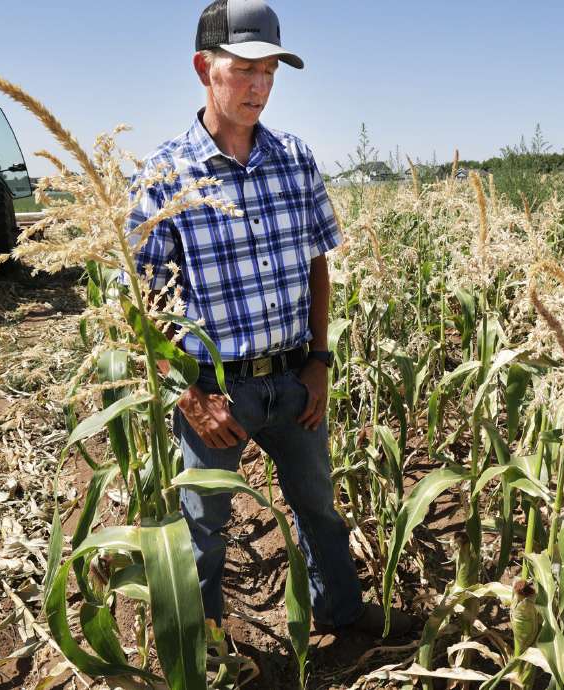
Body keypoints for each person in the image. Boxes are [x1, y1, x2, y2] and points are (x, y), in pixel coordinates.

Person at [125, 0, 412, 637]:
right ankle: (205, 651)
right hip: (214, 391)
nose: (260, 85)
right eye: (245, 68)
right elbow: (142, 302)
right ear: (205, 67)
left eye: (271, 71)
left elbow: (317, 266)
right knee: (203, 530)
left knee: (319, 508)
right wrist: (190, 393)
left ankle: (343, 615)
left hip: (293, 381)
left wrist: (319, 363)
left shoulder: (294, 159)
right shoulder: (163, 175)